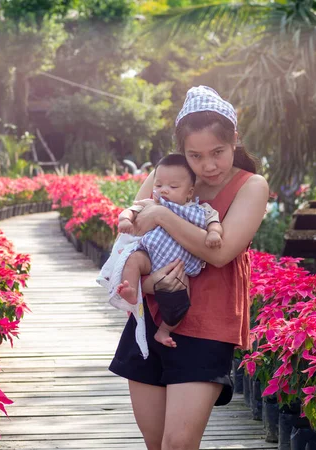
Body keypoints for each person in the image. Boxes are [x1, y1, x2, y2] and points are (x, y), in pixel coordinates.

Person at [108, 85, 269, 450]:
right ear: (182, 150)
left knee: (178, 444)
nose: (208, 165)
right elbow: (131, 239)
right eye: (195, 155)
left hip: (209, 325)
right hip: (151, 316)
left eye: (218, 152)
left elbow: (220, 253)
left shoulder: (251, 186)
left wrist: (163, 214)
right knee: (155, 444)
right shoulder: (164, 175)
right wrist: (147, 285)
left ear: (235, 142)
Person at [115, 153, 223, 348]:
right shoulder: (152, 204)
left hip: (179, 268)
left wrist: (214, 233)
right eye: (158, 186)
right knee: (132, 260)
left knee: (182, 301)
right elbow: (131, 210)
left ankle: (165, 329)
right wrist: (124, 219)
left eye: (173, 187)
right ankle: (131, 290)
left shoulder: (200, 210)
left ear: (189, 192)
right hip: (150, 256)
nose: (164, 191)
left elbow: (214, 222)